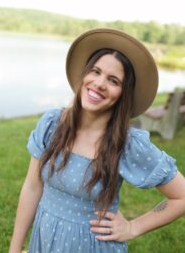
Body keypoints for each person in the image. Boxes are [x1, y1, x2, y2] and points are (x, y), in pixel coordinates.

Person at [9, 28, 185, 253]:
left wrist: (132, 227)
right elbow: (32, 188)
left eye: (113, 80)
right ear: (84, 74)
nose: (99, 83)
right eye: (96, 71)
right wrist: (14, 249)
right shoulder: (52, 124)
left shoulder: (126, 144)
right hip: (44, 240)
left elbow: (181, 196)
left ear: (123, 93)